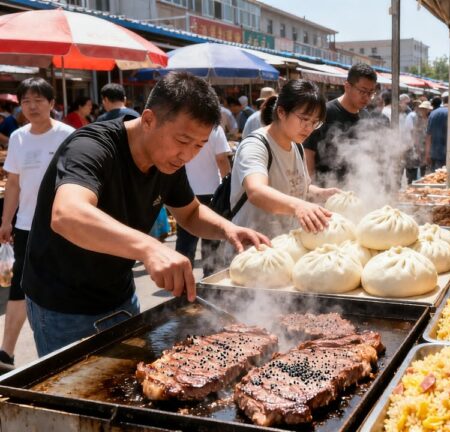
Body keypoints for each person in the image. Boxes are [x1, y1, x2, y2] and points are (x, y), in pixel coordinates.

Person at [22, 72, 269, 357]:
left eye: (199, 146)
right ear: (149, 119)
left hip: (120, 294)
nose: (187, 155)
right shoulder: (91, 147)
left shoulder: (168, 161)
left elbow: (189, 212)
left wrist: (228, 229)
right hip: (62, 304)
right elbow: (67, 214)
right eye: (183, 140)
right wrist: (150, 247)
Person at [0, 78, 74, 371]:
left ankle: (66, 348)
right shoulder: (18, 137)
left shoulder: (68, 135)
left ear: (52, 104)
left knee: (62, 285)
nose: (31, 106)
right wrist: (7, 221)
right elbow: (14, 183)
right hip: (27, 225)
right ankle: (5, 353)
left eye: (38, 100)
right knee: (20, 287)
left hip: (63, 224)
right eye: (26, 101)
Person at [230, 79, 340, 239]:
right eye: (304, 119)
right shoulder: (255, 145)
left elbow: (296, 185)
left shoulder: (297, 145)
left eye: (315, 122)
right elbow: (256, 191)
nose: (309, 128)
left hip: (284, 244)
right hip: (252, 248)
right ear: (281, 112)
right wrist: (298, 206)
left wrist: (323, 193)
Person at [304, 63, 377, 186]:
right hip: (325, 190)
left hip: (356, 190)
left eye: (371, 93)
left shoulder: (365, 116)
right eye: (363, 91)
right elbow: (308, 153)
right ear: (347, 86)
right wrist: (311, 189)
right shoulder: (324, 113)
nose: (367, 98)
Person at [176, 125, 232, 276]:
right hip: (211, 191)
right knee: (211, 240)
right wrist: (228, 184)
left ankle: (182, 281)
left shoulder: (184, 126)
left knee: (185, 241)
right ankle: (210, 280)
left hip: (185, 190)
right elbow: (221, 159)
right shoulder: (215, 128)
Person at [404, 100, 431, 182]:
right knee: (412, 166)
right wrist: (416, 145)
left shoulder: (428, 118)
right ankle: (410, 183)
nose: (424, 111)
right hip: (414, 145)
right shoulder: (414, 117)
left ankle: (421, 181)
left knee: (423, 166)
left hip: (423, 145)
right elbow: (413, 132)